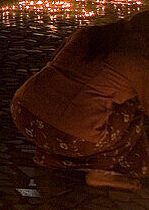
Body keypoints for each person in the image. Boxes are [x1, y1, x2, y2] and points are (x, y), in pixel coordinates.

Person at [11, 10, 149, 190]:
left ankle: (51, 158)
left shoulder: (89, 34)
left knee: (68, 104)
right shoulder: (139, 58)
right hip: (67, 135)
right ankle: (103, 170)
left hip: (25, 113)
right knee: (132, 108)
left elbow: (56, 60)